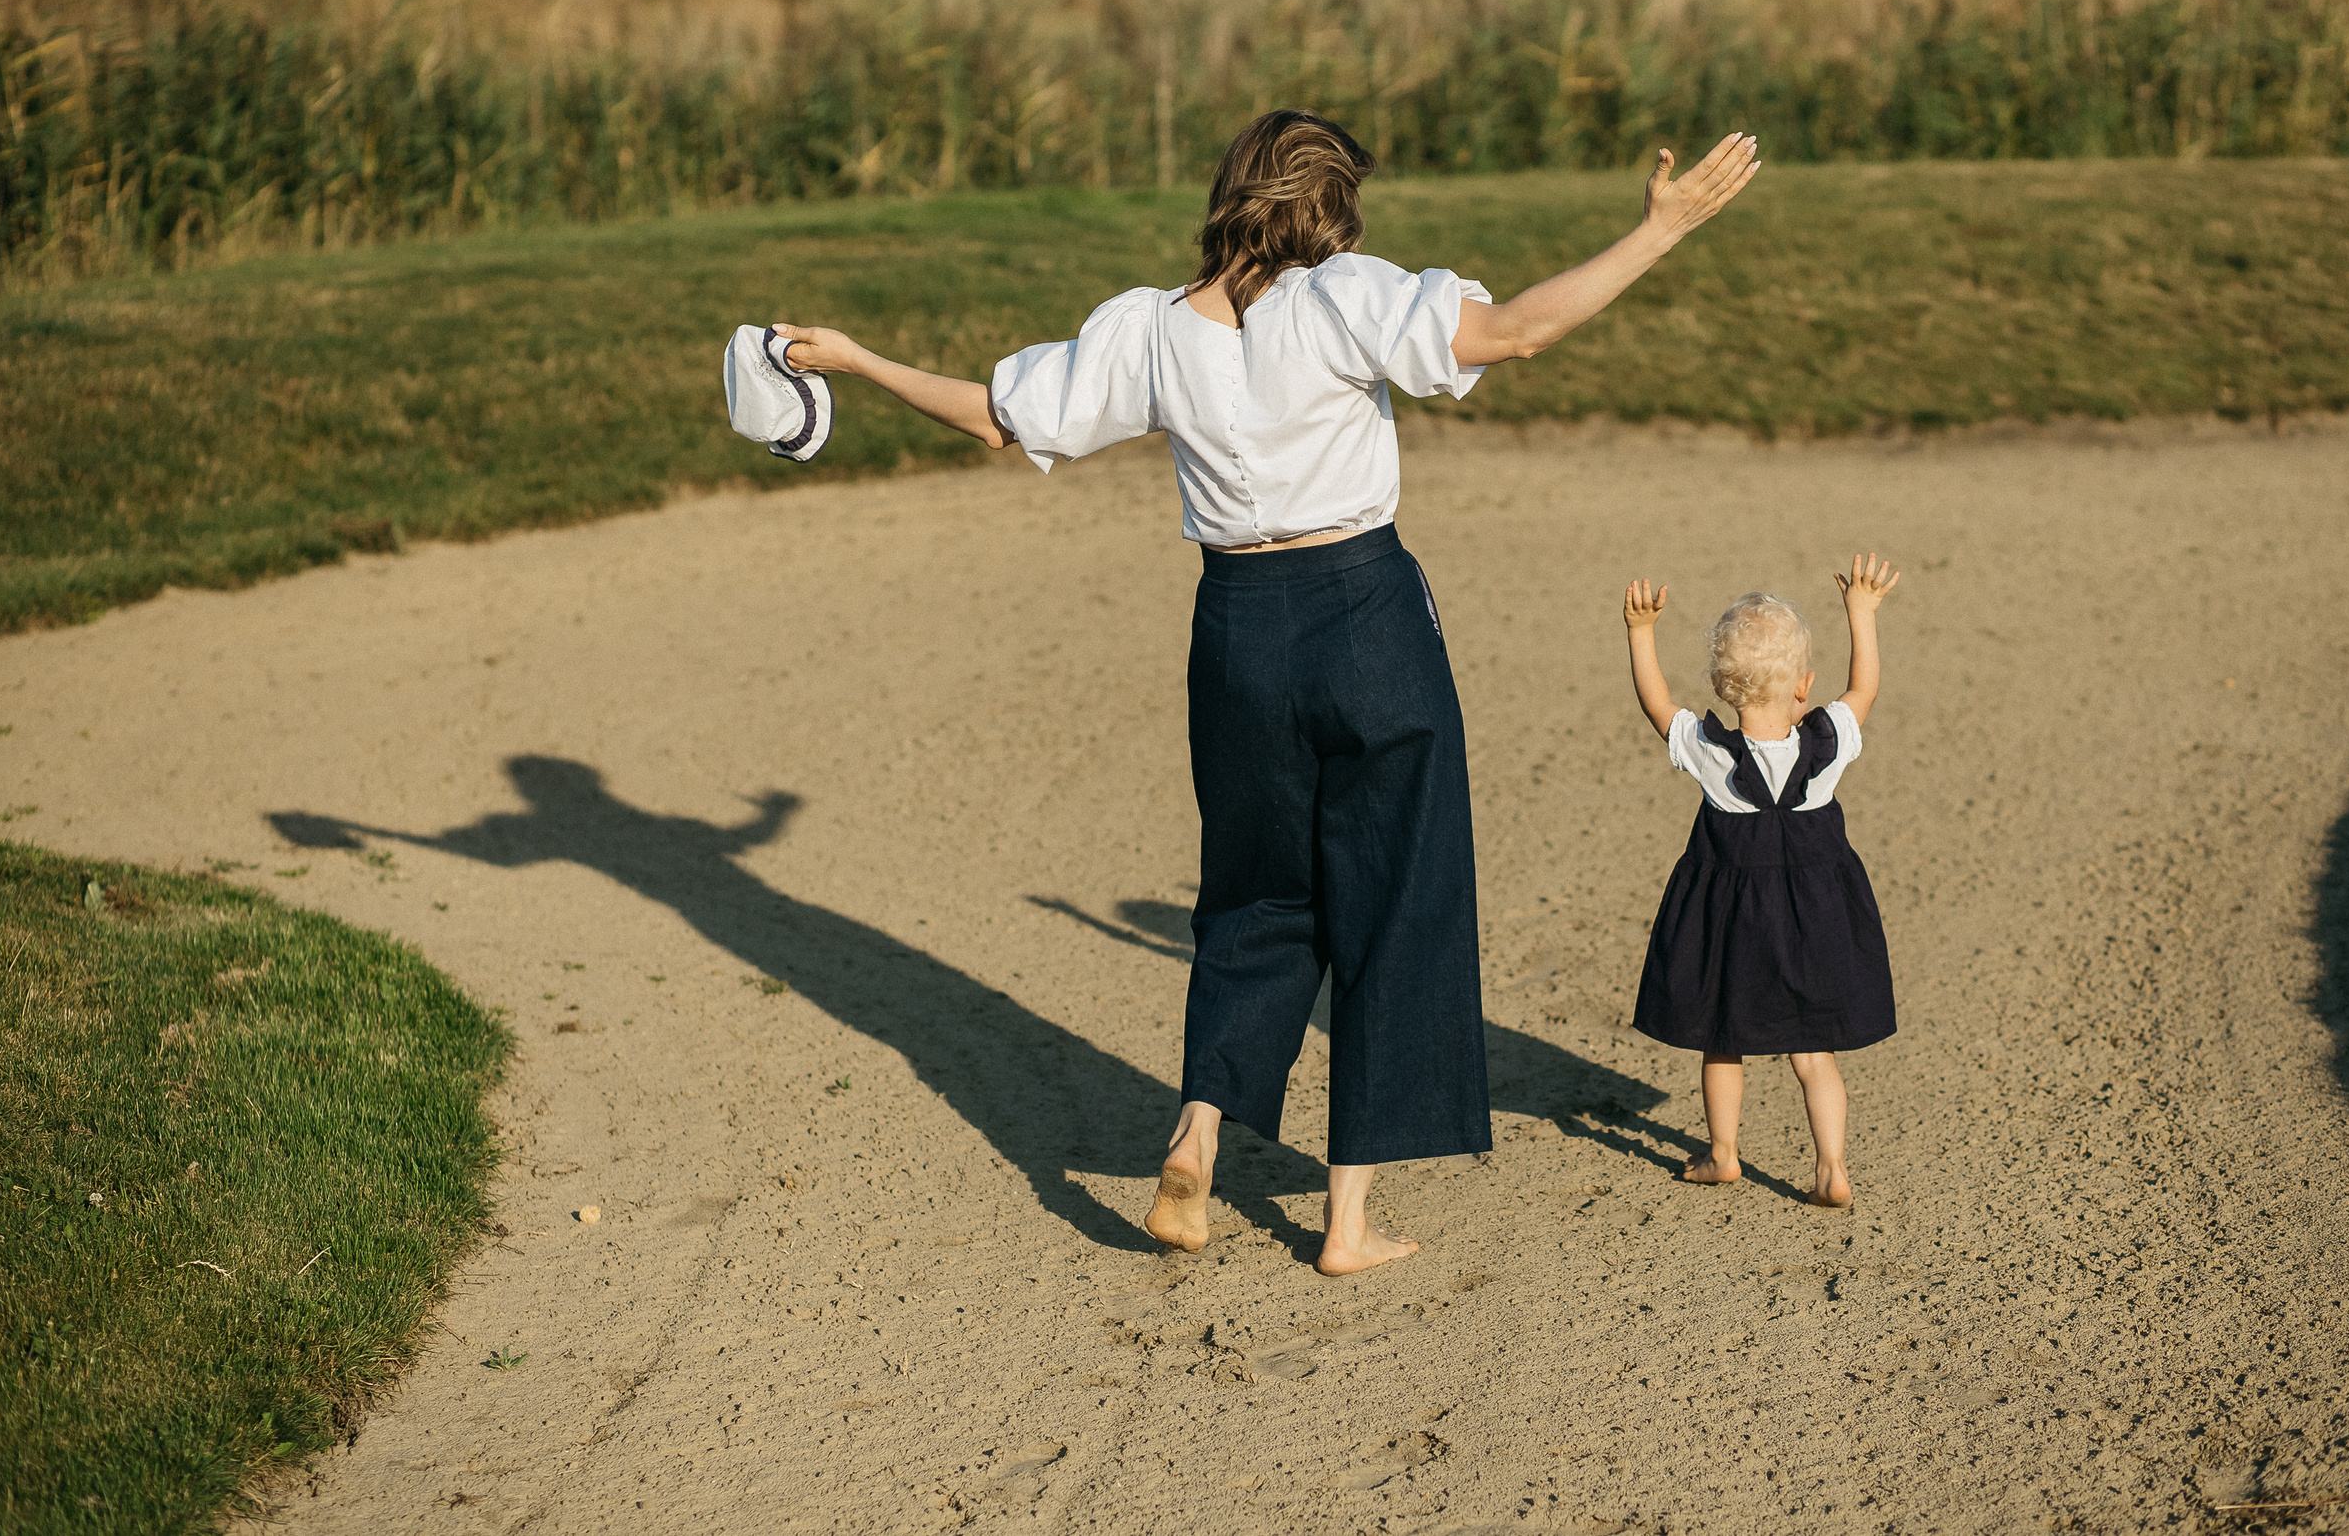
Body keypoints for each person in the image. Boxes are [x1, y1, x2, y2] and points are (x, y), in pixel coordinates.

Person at [769, 110, 1759, 1273]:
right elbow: (1520, 333)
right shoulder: (1345, 296)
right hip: (1366, 618)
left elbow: (999, 416)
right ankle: (1344, 1223)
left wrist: (856, 360)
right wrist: (1660, 230)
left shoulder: (1146, 332)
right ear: (1329, 207)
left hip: (1236, 631)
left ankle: (1198, 1129)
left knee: (1254, 895)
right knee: (1395, 900)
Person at [1620, 556, 1900, 1209]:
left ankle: (1723, 1153)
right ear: (1805, 685)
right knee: (1814, 1052)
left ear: (1724, 686)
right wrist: (1861, 612)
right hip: (1815, 926)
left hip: (1734, 929)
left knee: (1723, 1039)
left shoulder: (1713, 754)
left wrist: (1641, 632)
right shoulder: (1827, 748)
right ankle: (1832, 1166)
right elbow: (1866, 689)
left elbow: (1657, 704)